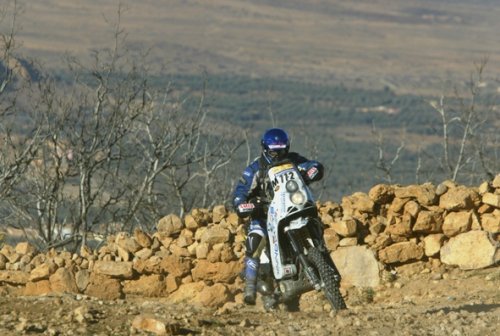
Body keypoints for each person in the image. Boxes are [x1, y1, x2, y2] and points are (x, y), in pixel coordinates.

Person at [232, 128, 324, 305]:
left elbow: (312, 165)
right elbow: (239, 194)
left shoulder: (294, 160)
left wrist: (313, 171)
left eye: (281, 149)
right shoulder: (255, 169)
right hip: (264, 215)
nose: (278, 153)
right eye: (274, 150)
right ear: (265, 148)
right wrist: (245, 205)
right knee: (255, 240)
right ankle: (250, 287)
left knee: (315, 222)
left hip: (291, 207)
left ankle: (320, 255)